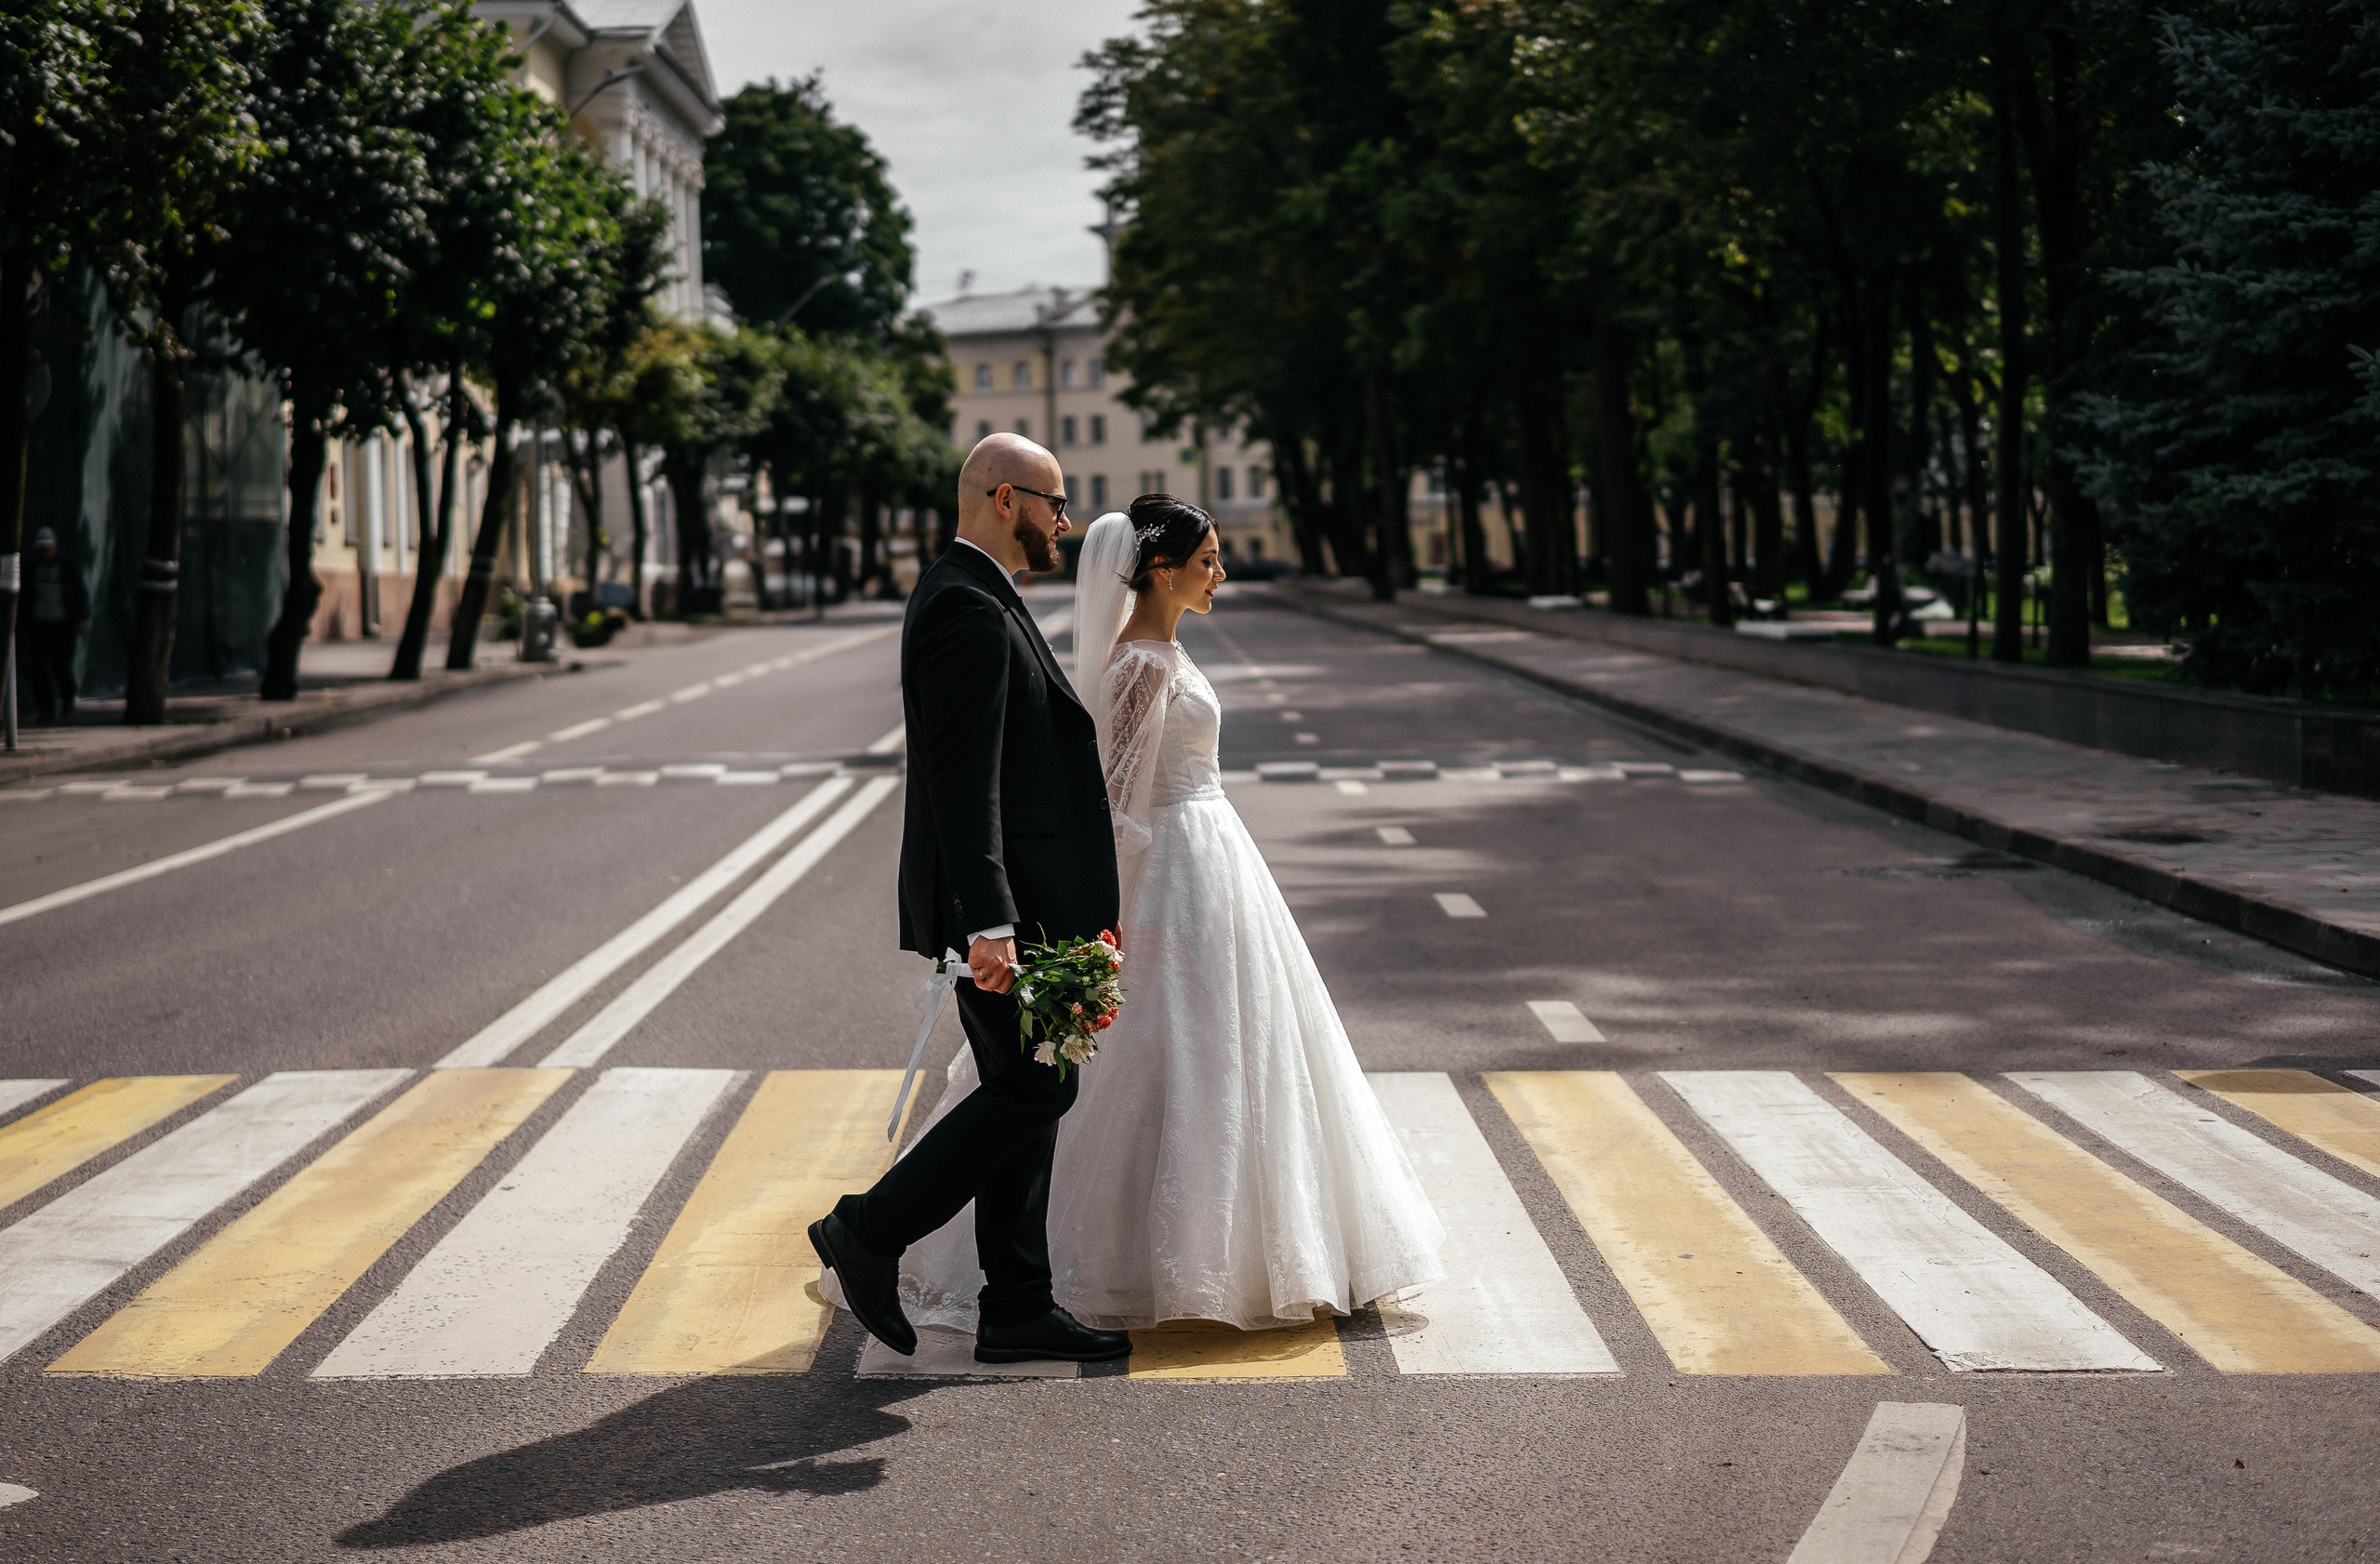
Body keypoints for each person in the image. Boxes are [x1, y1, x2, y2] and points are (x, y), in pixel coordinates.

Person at [883, 495, 1445, 1335]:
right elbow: (1109, 803)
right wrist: (1109, 918)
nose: (1220, 573)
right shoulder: (1141, 667)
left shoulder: (1165, 654)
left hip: (1215, 861)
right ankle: (1110, 1265)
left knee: (1226, 1054)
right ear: (1160, 568)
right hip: (1174, 871)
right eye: (1208, 559)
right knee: (1166, 1057)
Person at [810, 434, 1132, 1366]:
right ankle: (868, 1228)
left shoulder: (980, 591)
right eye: (1054, 503)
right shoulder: (965, 604)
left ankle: (1019, 1304)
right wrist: (991, 919)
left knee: (1024, 1085)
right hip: (1004, 910)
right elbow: (963, 779)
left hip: (1018, 903)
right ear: (1004, 497)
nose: (1064, 522)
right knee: (1040, 1083)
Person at [18, 528, 87, 726]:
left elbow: (79, 592)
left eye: (48, 547)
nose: (46, 551)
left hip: (62, 626)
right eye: (42, 548)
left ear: (55, 546)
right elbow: (25, 598)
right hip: (38, 626)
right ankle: (45, 708)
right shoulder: (31, 569)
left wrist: (81, 617)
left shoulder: (66, 567)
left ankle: (67, 700)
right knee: (39, 668)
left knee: (61, 666)